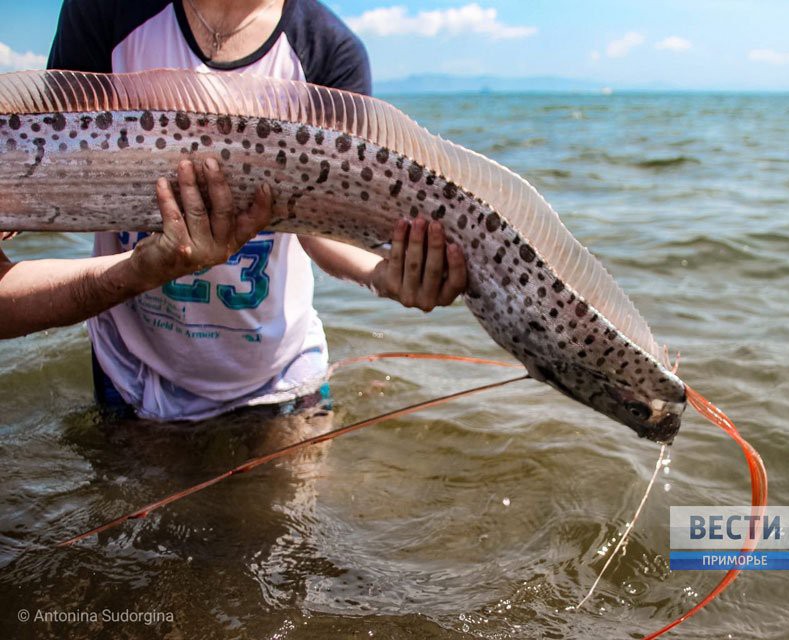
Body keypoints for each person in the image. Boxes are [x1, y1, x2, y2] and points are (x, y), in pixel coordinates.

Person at [43, 0, 467, 421]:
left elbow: (321, 224)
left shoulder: (328, 51)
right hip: (132, 365)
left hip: (278, 371)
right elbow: (44, 156)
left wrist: (379, 275)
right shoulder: (103, 12)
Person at [0, 160, 272, 340]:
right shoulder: (98, 71)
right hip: (128, 376)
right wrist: (134, 272)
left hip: (283, 373)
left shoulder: (306, 69)